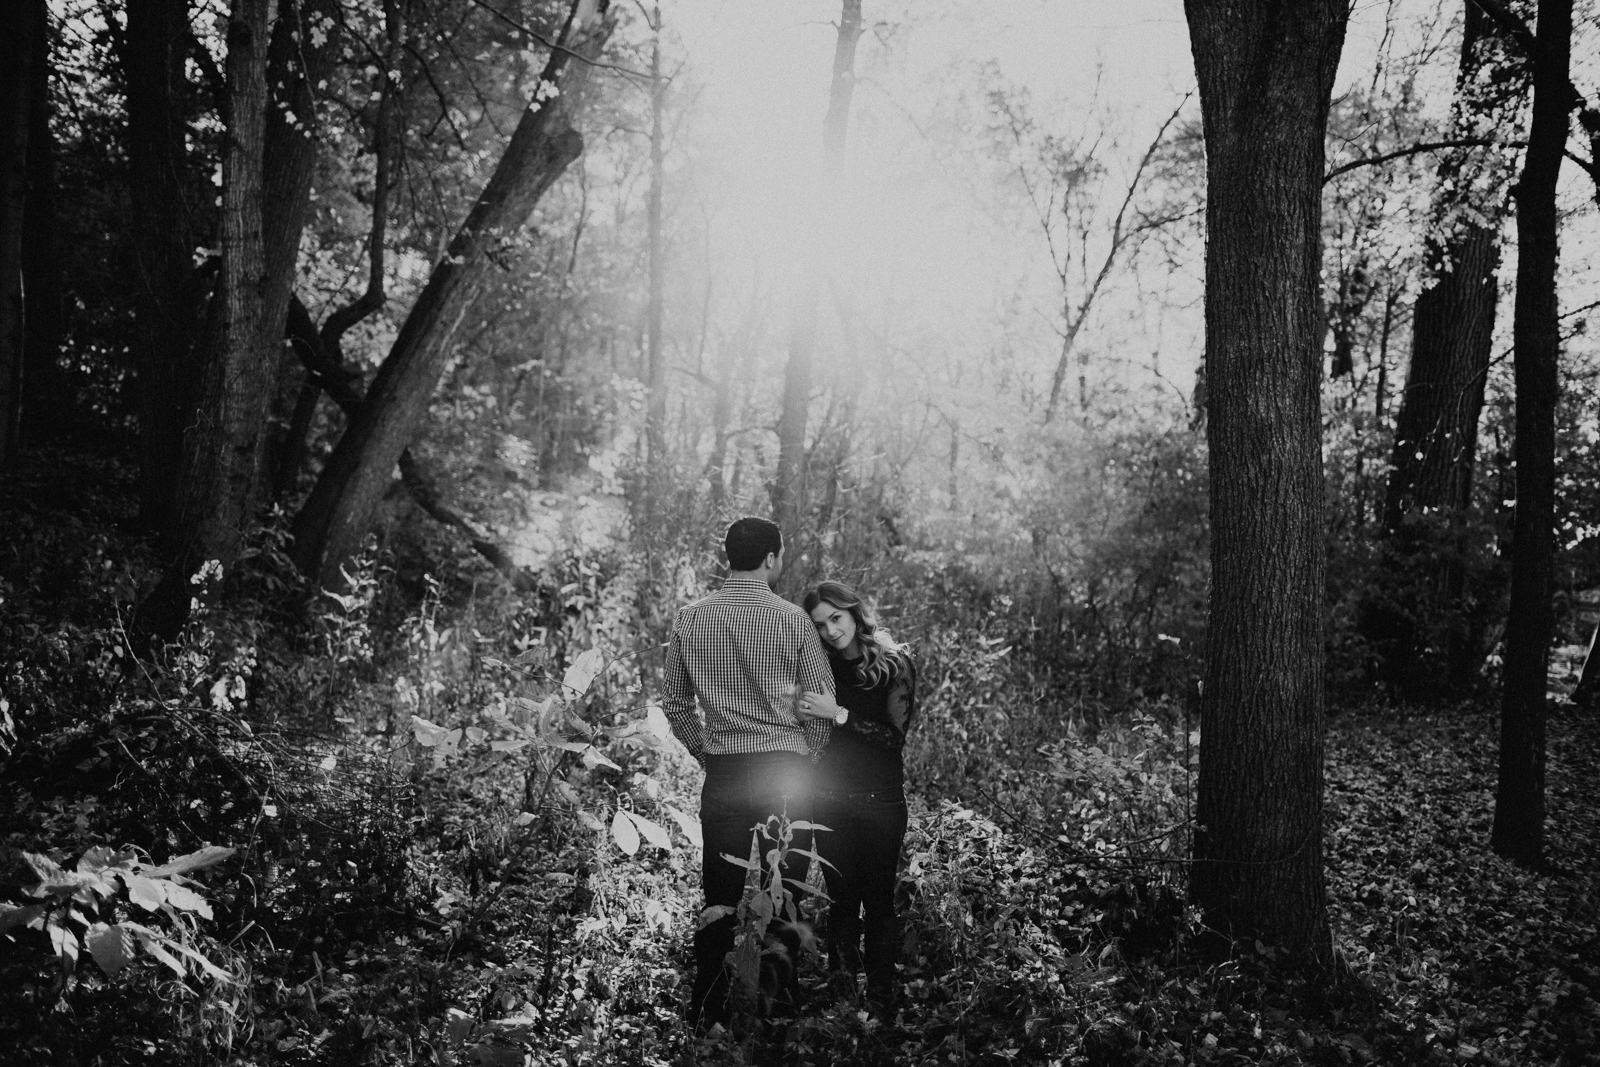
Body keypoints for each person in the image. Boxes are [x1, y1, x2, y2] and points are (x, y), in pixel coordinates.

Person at [660, 517, 835, 1031]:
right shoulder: (794, 622)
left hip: (727, 772)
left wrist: (706, 752)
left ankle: (707, 1004)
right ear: (771, 559)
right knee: (787, 888)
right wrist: (812, 753)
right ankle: (778, 1004)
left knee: (719, 891)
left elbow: (675, 703)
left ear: (728, 556)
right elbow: (821, 706)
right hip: (787, 771)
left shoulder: (691, 620)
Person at [798, 580, 917, 1023]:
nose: (831, 631)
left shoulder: (893, 664)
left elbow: (893, 739)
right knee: (841, 903)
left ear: (854, 613)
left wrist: (839, 715)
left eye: (837, 618)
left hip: (881, 801)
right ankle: (844, 1003)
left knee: (879, 903)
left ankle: (882, 1003)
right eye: (820, 624)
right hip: (827, 801)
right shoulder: (818, 669)